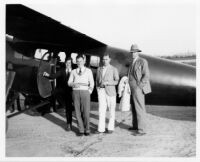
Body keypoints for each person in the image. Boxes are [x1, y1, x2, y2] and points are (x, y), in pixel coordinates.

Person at [43, 57, 73, 131]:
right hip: (62, 91)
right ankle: (53, 107)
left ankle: (71, 124)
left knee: (70, 109)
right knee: (54, 93)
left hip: (71, 93)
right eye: (66, 63)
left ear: (71, 63)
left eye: (69, 63)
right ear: (65, 63)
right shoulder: (62, 71)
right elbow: (53, 76)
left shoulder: (74, 71)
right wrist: (47, 75)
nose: (68, 64)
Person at [128, 44, 152, 136]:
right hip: (131, 88)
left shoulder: (142, 61)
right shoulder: (132, 62)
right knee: (134, 108)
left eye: (134, 52)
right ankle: (135, 126)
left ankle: (142, 130)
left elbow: (146, 75)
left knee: (139, 108)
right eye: (132, 52)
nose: (133, 53)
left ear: (138, 52)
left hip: (138, 88)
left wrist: (139, 86)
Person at [68, 54, 94, 136]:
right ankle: (81, 130)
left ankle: (87, 129)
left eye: (81, 61)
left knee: (86, 112)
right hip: (75, 92)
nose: (79, 63)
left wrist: (88, 91)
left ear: (84, 61)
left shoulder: (88, 71)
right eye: (78, 61)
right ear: (76, 62)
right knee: (77, 112)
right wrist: (73, 84)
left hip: (85, 92)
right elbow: (69, 82)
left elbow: (92, 83)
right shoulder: (73, 71)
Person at [96, 53, 119, 134]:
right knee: (101, 110)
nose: (104, 61)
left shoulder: (114, 69)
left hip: (111, 92)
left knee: (111, 110)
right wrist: (98, 88)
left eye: (106, 59)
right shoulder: (99, 69)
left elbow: (116, 81)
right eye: (103, 59)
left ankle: (110, 128)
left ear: (109, 60)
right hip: (101, 91)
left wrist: (107, 82)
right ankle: (100, 129)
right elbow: (97, 80)